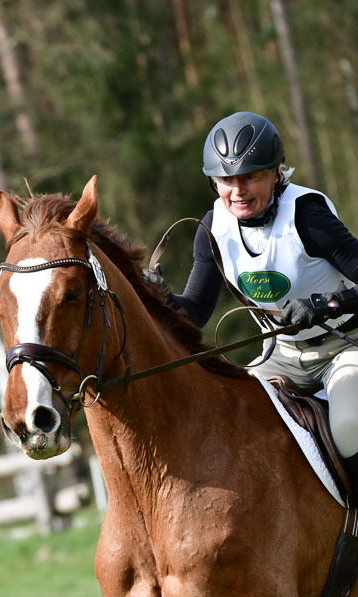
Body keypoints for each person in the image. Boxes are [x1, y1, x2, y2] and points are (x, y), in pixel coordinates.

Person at [147, 111, 358, 499]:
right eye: (227, 179)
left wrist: (325, 303)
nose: (238, 191)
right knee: (228, 421)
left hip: (343, 347)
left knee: (348, 428)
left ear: (276, 174)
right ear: (214, 181)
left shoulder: (309, 218)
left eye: (251, 177)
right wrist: (159, 298)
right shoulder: (212, 228)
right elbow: (193, 312)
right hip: (280, 357)